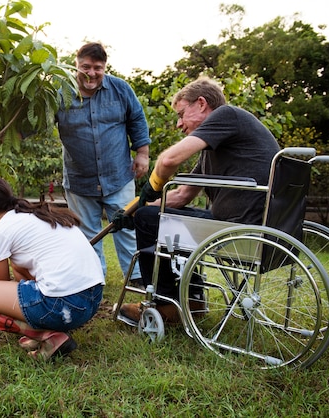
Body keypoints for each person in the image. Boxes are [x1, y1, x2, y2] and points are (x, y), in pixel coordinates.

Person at [117, 76, 280, 323]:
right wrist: (136, 209)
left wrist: (152, 187)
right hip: (251, 227)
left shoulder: (226, 115)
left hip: (240, 228)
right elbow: (182, 195)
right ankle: (190, 300)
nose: (179, 125)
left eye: (182, 114)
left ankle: (167, 304)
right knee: (148, 216)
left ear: (201, 104)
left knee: (150, 220)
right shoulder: (215, 146)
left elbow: (167, 161)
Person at [0, 175, 105, 360]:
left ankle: (43, 335)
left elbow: (0, 286)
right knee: (18, 265)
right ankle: (46, 327)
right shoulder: (36, 214)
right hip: (91, 301)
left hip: (62, 306)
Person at [55, 42, 151, 283]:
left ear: (105, 67)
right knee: (88, 234)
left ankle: (137, 279)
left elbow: (137, 119)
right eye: (85, 67)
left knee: (127, 229)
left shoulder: (120, 89)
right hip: (80, 180)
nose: (91, 73)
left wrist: (143, 153)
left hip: (118, 176)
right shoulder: (61, 93)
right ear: (76, 65)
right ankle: (95, 281)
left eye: (98, 68)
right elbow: (35, 122)